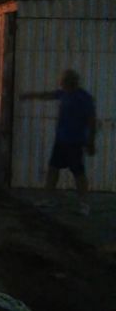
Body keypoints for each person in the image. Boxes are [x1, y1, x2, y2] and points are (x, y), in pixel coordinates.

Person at [20, 69, 96, 215]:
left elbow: (92, 121)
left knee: (78, 173)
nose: (61, 85)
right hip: (61, 141)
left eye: (64, 82)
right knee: (53, 169)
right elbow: (47, 95)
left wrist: (90, 142)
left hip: (75, 142)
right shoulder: (64, 93)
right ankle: (49, 199)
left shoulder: (84, 98)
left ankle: (84, 204)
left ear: (70, 82)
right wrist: (28, 96)